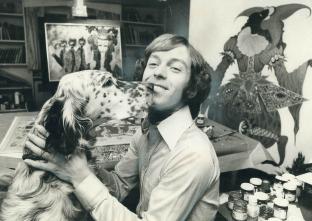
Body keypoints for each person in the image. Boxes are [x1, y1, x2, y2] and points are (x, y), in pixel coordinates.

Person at [24, 34, 220, 221]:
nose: (158, 72)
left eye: (175, 68)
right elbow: (119, 186)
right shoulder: (147, 131)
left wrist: (80, 177)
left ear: (192, 89)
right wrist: (80, 164)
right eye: (153, 64)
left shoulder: (194, 154)